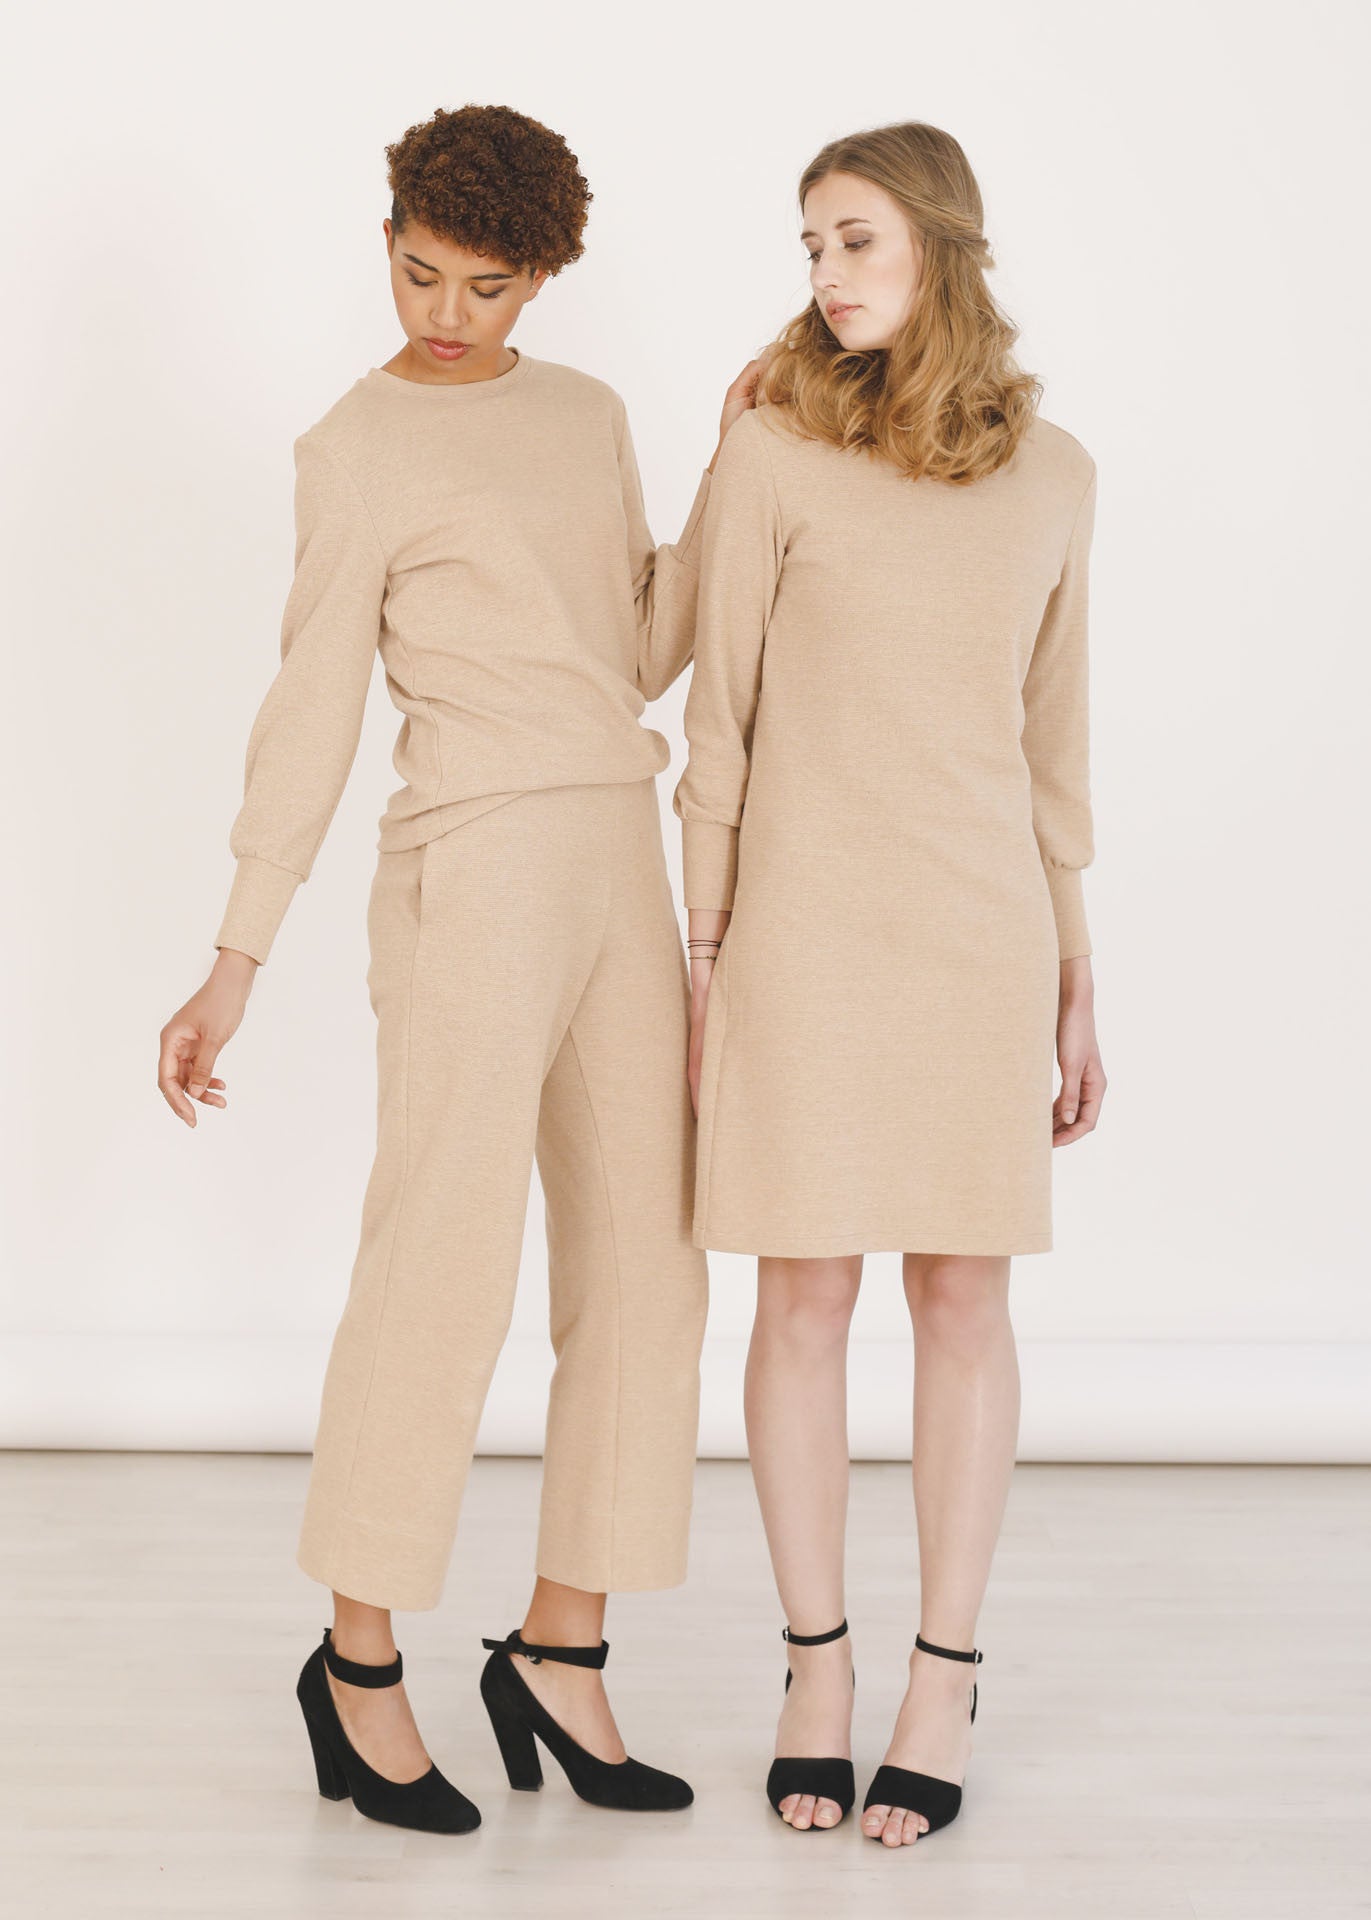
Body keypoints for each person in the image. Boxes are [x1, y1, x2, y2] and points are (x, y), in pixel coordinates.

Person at [157, 102, 762, 1834]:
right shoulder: (354, 449)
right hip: (471, 868)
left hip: (613, 861)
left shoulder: (585, 418)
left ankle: (560, 1646)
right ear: (393, 238)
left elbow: (640, 644)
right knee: (443, 1262)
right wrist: (235, 957)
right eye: (420, 271)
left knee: (650, 1257)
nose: (444, 313)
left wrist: (727, 475)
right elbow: (313, 710)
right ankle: (358, 1665)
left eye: (485, 287)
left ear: (544, 280)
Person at [673, 119, 1108, 1848]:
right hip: (792, 937)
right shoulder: (773, 452)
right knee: (796, 1302)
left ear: (938, 242)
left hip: (978, 936)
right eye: (808, 249)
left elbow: (1053, 741)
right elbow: (717, 735)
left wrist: (1081, 963)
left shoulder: (1058, 473)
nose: (826, 275)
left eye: (851, 240)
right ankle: (817, 1667)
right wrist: (703, 960)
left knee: (961, 1304)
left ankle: (944, 1671)